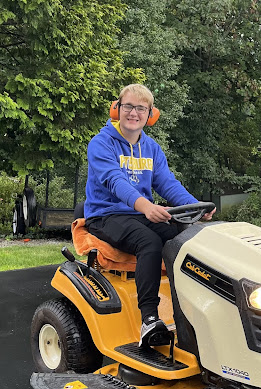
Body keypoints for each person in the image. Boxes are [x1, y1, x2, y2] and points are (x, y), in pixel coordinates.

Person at [84, 84, 215, 348]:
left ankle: (191, 312)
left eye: (140, 108)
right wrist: (145, 206)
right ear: (116, 109)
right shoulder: (100, 144)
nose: (133, 113)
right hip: (105, 215)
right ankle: (149, 319)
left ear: (150, 114)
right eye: (128, 106)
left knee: (185, 238)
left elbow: (167, 184)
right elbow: (114, 181)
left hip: (138, 214)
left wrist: (195, 206)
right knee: (149, 242)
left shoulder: (152, 149)